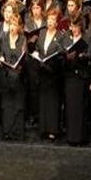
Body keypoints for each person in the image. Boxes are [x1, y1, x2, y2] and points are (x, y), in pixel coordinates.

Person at [61, 16, 91, 145]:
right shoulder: (66, 39)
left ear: (81, 27)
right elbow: (61, 55)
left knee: (80, 108)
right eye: (72, 27)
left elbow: (90, 55)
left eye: (76, 27)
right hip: (69, 77)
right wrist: (67, 56)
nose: (74, 29)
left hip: (80, 76)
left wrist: (81, 56)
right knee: (70, 107)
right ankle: (71, 137)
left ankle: (80, 137)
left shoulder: (86, 39)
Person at [34, 8, 63, 141]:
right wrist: (37, 56)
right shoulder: (42, 32)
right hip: (42, 72)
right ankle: (43, 129)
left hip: (53, 73)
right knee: (43, 101)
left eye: (53, 20)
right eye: (49, 19)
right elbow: (38, 49)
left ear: (57, 23)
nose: (50, 22)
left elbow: (60, 53)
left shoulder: (60, 36)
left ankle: (53, 130)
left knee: (53, 103)